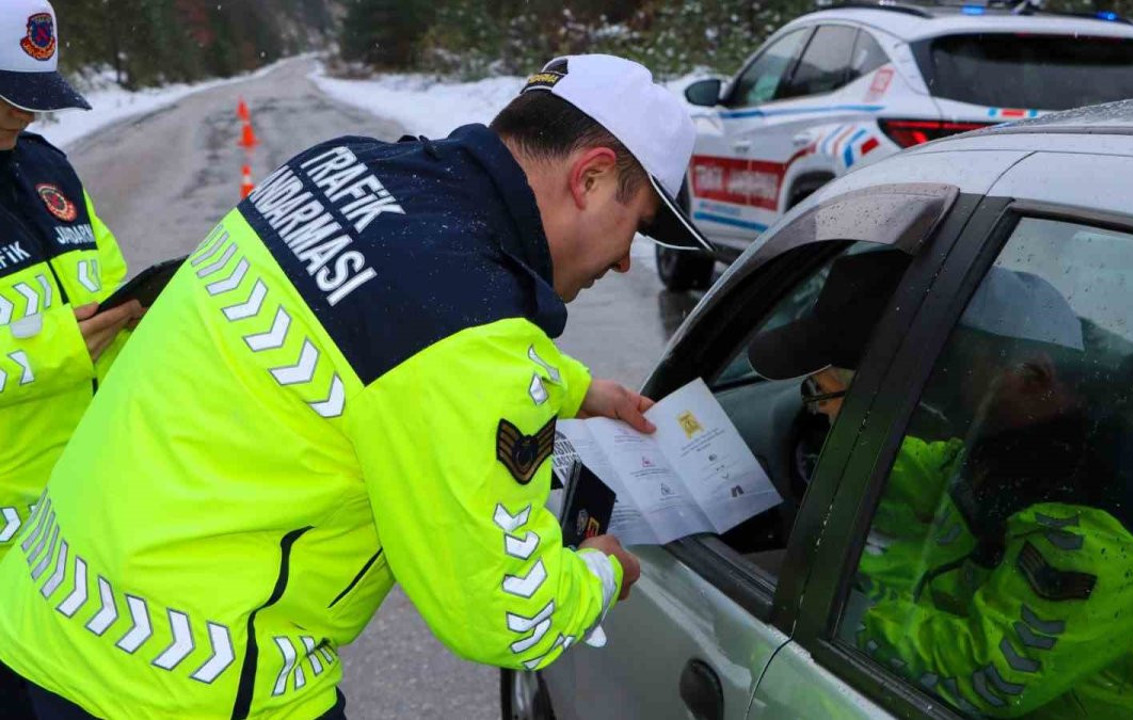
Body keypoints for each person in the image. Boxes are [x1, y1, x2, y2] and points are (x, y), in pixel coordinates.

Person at [0, 54, 715, 719]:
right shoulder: (471, 337)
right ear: (590, 177)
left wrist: (576, 388)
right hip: (181, 686)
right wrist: (597, 574)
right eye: (639, 225)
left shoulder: (342, 168)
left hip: (40, 620)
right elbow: (507, 613)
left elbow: (384, 324)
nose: (626, 261)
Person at [749, 257, 1133, 718]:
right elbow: (932, 475)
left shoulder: (1094, 528)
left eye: (964, 363)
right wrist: (839, 433)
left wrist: (846, 616)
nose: (942, 380)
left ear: (1032, 376)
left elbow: (987, 675)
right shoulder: (1028, 442)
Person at [0, 0, 141, 563]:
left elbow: (105, 285)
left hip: (84, 511)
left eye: (33, 96)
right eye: (6, 92)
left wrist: (139, 313)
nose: (23, 114)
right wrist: (53, 348)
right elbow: (59, 341)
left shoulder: (46, 167)